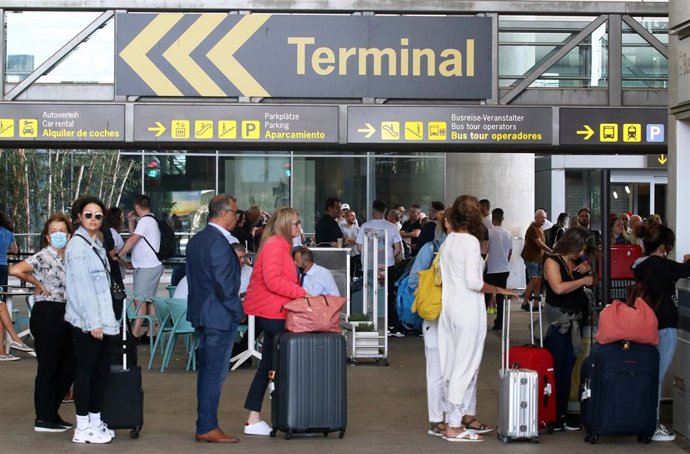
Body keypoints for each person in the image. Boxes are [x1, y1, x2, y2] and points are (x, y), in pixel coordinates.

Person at [438, 195, 516, 442]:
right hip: (467, 310)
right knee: (466, 367)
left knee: (453, 366)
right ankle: (454, 425)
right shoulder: (470, 242)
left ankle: (457, 418)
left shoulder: (448, 240)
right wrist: (500, 290)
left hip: (449, 309)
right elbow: (473, 283)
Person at [242, 207, 310, 436]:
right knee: (278, 365)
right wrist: (302, 293)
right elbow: (273, 281)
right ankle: (272, 415)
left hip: (271, 312)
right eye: (296, 223)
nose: (299, 228)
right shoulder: (276, 245)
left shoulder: (276, 244)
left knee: (269, 366)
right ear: (284, 224)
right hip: (273, 313)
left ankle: (255, 417)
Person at [185, 195, 244, 443]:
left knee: (207, 372)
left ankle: (205, 424)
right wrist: (238, 312)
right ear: (224, 213)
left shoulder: (197, 240)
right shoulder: (219, 243)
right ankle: (207, 426)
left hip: (203, 314)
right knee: (213, 374)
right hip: (218, 316)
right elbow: (223, 285)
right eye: (235, 212)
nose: (238, 217)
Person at [10, 213, 74, 432]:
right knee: (49, 366)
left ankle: (52, 413)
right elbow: (16, 269)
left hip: (68, 313)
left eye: (62, 231)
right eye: (53, 232)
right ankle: (43, 418)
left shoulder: (71, 256)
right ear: (47, 236)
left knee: (67, 367)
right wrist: (35, 281)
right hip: (48, 312)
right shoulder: (43, 256)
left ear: (69, 234)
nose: (58, 235)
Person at [65, 196, 119, 444]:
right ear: (79, 216)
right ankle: (82, 427)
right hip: (89, 323)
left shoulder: (94, 243)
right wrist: (93, 323)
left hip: (103, 320)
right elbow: (83, 289)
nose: (93, 219)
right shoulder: (77, 247)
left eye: (98, 215)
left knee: (100, 373)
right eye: (88, 215)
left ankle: (95, 421)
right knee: (86, 373)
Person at [632, 223, 690, 442]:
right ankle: (653, 424)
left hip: (645, 325)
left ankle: (643, 419)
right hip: (665, 325)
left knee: (648, 374)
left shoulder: (640, 264)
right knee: (657, 376)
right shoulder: (662, 266)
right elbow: (686, 271)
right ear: (664, 247)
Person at [542, 227, 595, 432]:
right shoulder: (551, 260)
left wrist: (588, 268)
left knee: (568, 368)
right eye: (580, 248)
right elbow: (558, 288)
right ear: (571, 244)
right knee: (556, 368)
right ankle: (552, 415)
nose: (582, 252)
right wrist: (583, 280)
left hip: (575, 321)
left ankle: (561, 415)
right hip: (557, 323)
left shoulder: (578, 262)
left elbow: (594, 277)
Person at [407, 211, 447, 437]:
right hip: (434, 316)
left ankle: (450, 416)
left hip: (453, 316)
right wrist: (433, 290)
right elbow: (414, 281)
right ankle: (436, 419)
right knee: (436, 370)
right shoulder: (430, 249)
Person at [115, 195, 164, 342]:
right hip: (152, 265)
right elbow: (135, 238)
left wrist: (118, 255)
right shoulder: (150, 219)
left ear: (137, 207)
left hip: (146, 267)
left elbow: (132, 241)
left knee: (139, 300)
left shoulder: (145, 221)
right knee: (149, 300)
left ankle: (135, 335)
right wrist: (131, 222)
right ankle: (150, 333)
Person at [357, 200, 404, 337]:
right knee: (387, 294)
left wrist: (370, 255)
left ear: (373, 210)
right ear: (385, 211)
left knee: (370, 292)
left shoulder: (365, 226)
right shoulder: (391, 227)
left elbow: (359, 247)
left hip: (370, 265)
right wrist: (388, 257)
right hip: (386, 266)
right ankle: (389, 324)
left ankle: (370, 322)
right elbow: (398, 248)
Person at [0, 211, 34, 361]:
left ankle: (5, 347)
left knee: (0, 306)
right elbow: (14, 250)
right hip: (2, 267)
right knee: (1, 304)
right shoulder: (8, 233)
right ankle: (11, 342)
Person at [486, 208, 513, 331]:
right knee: (501, 297)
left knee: (486, 296)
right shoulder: (508, 233)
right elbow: (510, 252)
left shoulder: (489, 233)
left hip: (491, 268)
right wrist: (505, 261)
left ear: (492, 219)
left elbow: (485, 250)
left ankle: (481, 321)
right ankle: (500, 323)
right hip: (504, 269)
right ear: (502, 219)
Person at [521, 209, 552, 311]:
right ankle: (525, 302)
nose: (544, 219)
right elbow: (539, 243)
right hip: (531, 259)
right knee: (534, 279)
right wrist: (550, 250)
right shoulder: (532, 228)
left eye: (545, 217)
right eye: (542, 217)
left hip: (539, 259)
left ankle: (536, 304)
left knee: (538, 281)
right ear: (536, 217)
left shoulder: (540, 229)